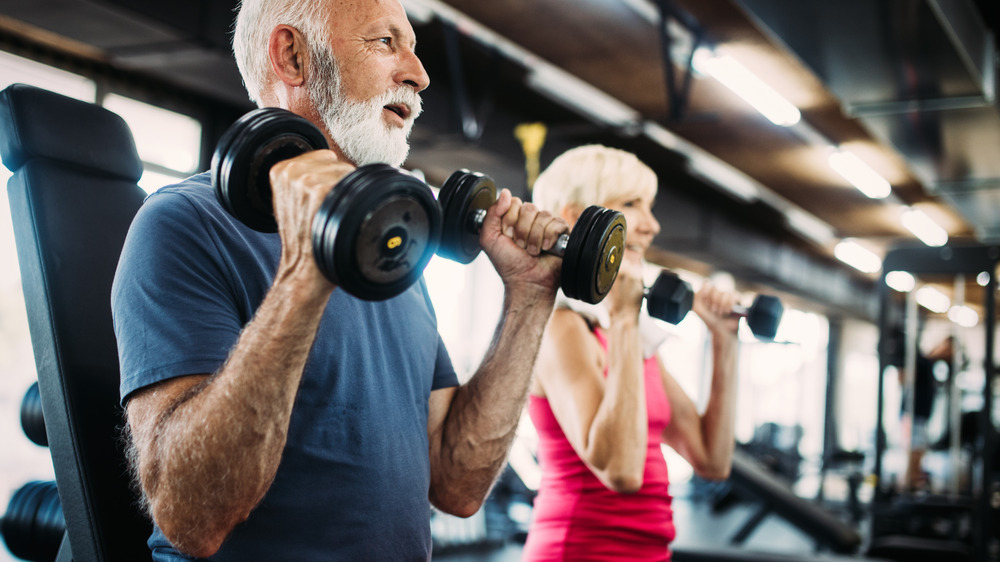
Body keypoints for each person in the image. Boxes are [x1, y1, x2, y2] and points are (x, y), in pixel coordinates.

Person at [111, 0, 568, 559]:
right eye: (385, 43)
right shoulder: (184, 224)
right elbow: (190, 518)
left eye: (415, 48)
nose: (419, 75)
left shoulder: (393, 250)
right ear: (293, 56)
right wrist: (307, 272)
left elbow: (457, 483)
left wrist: (528, 295)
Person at [521, 145, 743, 561]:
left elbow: (712, 461)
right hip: (580, 551)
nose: (652, 225)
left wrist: (725, 341)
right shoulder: (561, 328)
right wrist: (623, 319)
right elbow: (620, 470)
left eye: (650, 207)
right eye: (631, 205)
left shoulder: (632, 340)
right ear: (575, 217)